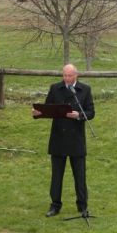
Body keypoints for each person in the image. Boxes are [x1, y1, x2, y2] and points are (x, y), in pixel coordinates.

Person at [34, 64, 95, 218]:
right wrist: (38, 113)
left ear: (76, 75)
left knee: (79, 175)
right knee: (57, 175)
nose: (67, 79)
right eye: (64, 75)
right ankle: (55, 205)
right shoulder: (55, 88)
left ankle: (82, 206)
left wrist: (79, 115)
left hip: (76, 139)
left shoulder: (85, 90)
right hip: (59, 138)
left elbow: (91, 112)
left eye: (69, 76)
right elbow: (47, 108)